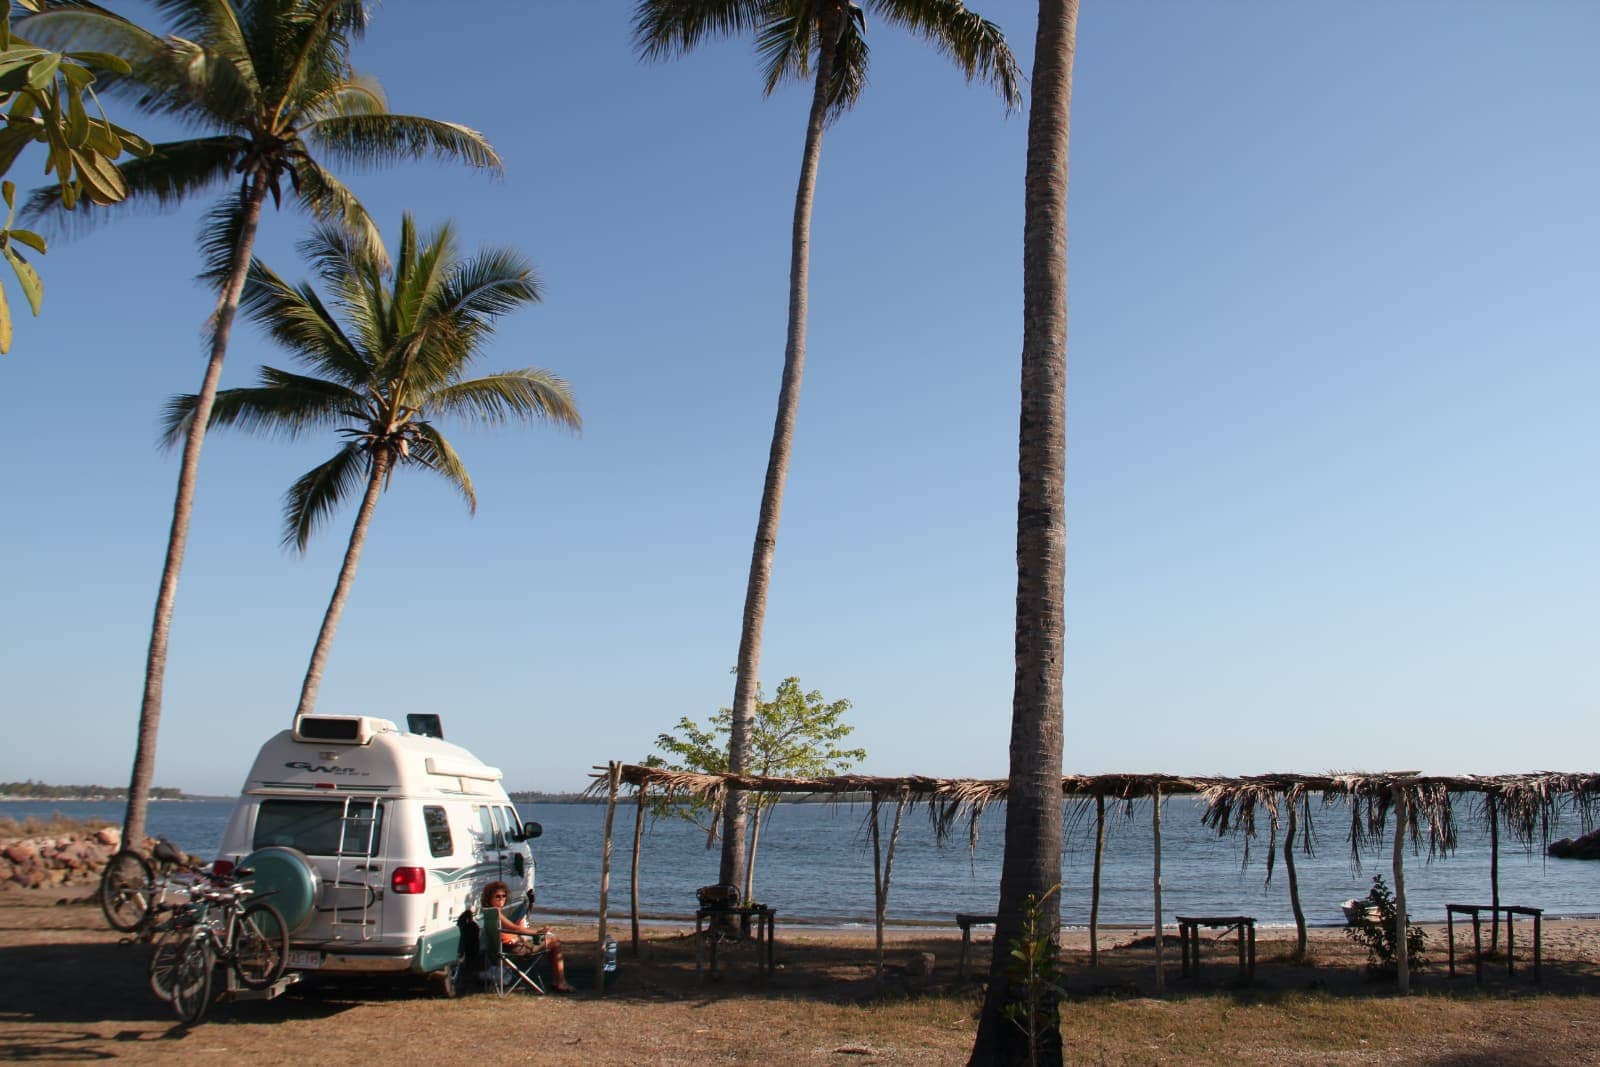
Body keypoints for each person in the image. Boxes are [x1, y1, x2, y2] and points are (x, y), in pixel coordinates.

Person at [480, 881, 574, 993]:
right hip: (513, 950)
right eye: (497, 896)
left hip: (501, 949)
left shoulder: (487, 912)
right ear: (489, 897)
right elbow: (515, 928)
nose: (502, 899)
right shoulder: (495, 912)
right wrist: (537, 932)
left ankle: (557, 981)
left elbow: (507, 931)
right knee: (554, 941)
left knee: (549, 941)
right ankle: (560, 982)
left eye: (504, 895)